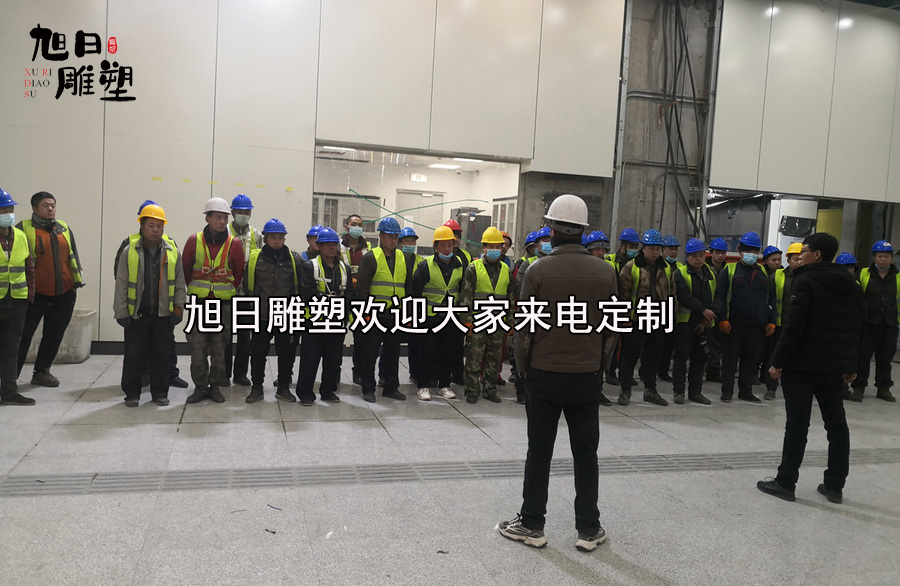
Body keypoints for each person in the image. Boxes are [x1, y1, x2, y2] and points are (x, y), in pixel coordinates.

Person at [499, 194, 617, 552]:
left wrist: (523, 370)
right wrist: (599, 367)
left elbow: (525, 329)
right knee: (586, 453)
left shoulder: (537, 271)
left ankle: (532, 524)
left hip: (544, 374)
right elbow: (611, 329)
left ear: (551, 229)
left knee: (539, 450)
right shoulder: (605, 272)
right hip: (586, 376)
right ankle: (589, 528)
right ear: (583, 231)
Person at [757, 233, 864, 504]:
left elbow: (794, 328)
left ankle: (785, 483)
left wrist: (777, 362)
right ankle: (834, 486)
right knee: (837, 426)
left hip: (801, 367)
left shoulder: (805, 281)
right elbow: (857, 327)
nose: (800, 255)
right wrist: (851, 364)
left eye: (804, 250)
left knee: (797, 424)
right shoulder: (850, 283)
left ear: (816, 255)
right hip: (833, 368)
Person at [113, 204, 186, 407]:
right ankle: (132, 393)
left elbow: (180, 283)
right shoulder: (129, 251)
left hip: (163, 315)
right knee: (134, 356)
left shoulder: (172, 252)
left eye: (159, 226)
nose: (155, 230)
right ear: (142, 226)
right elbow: (121, 283)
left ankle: (160, 392)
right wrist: (121, 312)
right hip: (137, 314)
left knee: (162, 355)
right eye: (151, 225)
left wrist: (179, 307)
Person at [16, 191, 84, 387]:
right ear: (34, 208)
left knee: (54, 335)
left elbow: (73, 257)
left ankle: (42, 372)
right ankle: (10, 379)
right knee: (21, 337)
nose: (51, 209)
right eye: (46, 205)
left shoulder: (63, 228)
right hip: (33, 295)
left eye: (53, 205)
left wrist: (74, 286)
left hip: (64, 294)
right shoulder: (22, 229)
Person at [182, 197, 245, 404]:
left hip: (223, 305)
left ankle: (216, 386)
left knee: (220, 349)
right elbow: (186, 269)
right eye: (218, 217)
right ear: (207, 218)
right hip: (199, 304)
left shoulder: (234, 244)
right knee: (197, 348)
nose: (223, 222)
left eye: (225, 218)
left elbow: (238, 274)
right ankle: (201, 387)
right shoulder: (194, 241)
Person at [355, 217, 415, 402]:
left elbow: (408, 286)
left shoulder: (403, 258)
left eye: (396, 236)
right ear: (381, 236)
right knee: (370, 353)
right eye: (390, 236)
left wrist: (408, 312)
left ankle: (391, 387)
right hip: (375, 314)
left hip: (395, 314)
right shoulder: (370, 258)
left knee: (392, 353)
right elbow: (363, 289)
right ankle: (368, 389)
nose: (393, 240)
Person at [243, 218, 302, 404]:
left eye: (280, 237)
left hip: (286, 315)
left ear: (284, 238)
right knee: (258, 353)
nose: (277, 241)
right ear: (266, 238)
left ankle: (283, 388)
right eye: (273, 237)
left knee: (286, 353)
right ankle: (257, 388)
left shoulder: (294, 260)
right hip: (261, 315)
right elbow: (247, 285)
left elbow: (299, 288)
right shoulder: (255, 259)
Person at [713, 231, 776, 403]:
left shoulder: (763, 273)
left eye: (755, 251)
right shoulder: (729, 270)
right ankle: (727, 392)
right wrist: (722, 319)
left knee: (750, 361)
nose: (751, 254)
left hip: (757, 326)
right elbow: (720, 297)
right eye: (748, 250)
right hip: (734, 325)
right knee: (730, 360)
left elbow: (771, 299)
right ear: (740, 250)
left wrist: (771, 321)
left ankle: (745, 391)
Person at [616, 229, 672, 407]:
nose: (655, 252)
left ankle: (650, 390)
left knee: (653, 357)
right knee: (630, 356)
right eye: (651, 248)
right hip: (636, 319)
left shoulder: (666, 268)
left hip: (657, 319)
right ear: (644, 248)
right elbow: (623, 295)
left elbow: (672, 294)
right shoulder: (631, 267)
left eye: (657, 249)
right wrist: (624, 317)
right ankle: (625, 390)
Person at [296, 227, 350, 406]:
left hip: (337, 321)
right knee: (310, 359)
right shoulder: (309, 266)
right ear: (319, 246)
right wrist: (330, 301)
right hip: (315, 321)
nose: (332, 248)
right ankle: (305, 393)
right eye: (327, 244)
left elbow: (350, 294)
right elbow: (307, 292)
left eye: (334, 244)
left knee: (333, 360)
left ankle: (328, 391)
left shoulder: (344, 269)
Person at [460, 227, 515, 404]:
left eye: (498, 246)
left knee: (494, 358)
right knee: (474, 358)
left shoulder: (506, 270)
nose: (494, 250)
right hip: (477, 322)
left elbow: (511, 298)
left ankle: (490, 390)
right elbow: (466, 297)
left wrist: (511, 321)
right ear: (483, 247)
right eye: (491, 246)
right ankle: (472, 391)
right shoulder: (473, 269)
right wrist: (467, 321)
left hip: (498, 322)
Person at [412, 226, 462, 401]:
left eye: (449, 245)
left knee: (448, 352)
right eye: (442, 245)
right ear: (435, 247)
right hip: (429, 317)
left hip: (450, 316)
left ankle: (444, 385)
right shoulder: (425, 266)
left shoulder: (459, 265)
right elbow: (416, 292)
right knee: (427, 352)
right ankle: (423, 386)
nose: (446, 249)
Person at [849, 239, 900, 403]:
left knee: (885, 358)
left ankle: (883, 388)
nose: (883, 259)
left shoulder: (898, 277)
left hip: (890, 324)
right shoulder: (864, 274)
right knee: (863, 357)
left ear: (891, 258)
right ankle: (859, 386)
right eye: (880, 256)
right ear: (874, 257)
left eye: (886, 256)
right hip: (868, 324)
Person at [0, 188, 36, 406]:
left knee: (11, 349)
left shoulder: (20, 236)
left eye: (10, 210)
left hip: (17, 301)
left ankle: (9, 391)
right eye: (4, 211)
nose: (9, 215)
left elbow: (29, 268)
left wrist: (29, 296)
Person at [671, 238, 715, 405]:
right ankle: (679, 391)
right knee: (681, 359)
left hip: (705, 323)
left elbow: (718, 295)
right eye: (694, 256)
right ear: (687, 257)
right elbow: (684, 296)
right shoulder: (680, 273)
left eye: (701, 255)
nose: (698, 259)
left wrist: (710, 315)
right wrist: (703, 310)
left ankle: (695, 392)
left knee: (700, 359)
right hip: (686, 323)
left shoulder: (710, 274)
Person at [224, 194, 262, 388]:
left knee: (245, 337)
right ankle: (224, 374)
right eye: (240, 211)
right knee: (224, 336)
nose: (243, 215)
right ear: (232, 212)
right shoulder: (224, 232)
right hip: (226, 293)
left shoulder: (256, 235)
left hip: (248, 294)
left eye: (247, 212)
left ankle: (240, 374)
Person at [761, 242, 803, 400]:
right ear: (789, 259)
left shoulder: (809, 277)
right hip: (780, 325)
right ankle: (771, 388)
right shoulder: (777, 276)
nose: (799, 262)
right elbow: (769, 300)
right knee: (773, 357)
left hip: (801, 327)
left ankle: (796, 389)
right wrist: (770, 321)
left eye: (801, 258)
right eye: (795, 259)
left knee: (798, 359)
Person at [382, 227, 424, 386]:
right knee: (390, 345)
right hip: (397, 307)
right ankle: (384, 376)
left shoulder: (421, 261)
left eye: (412, 242)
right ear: (400, 243)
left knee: (416, 343)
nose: (410, 244)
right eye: (407, 241)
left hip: (414, 308)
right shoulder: (394, 259)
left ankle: (415, 373)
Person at [604, 228, 640, 387]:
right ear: (622, 246)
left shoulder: (638, 263)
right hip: (614, 307)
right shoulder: (610, 260)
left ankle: (625, 375)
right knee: (613, 343)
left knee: (629, 346)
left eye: (635, 246)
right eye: (631, 246)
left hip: (631, 310)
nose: (634, 249)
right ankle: (610, 373)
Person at [340, 214, 372, 386]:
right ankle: (334, 373)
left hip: (361, 297)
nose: (357, 228)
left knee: (361, 338)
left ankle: (358, 372)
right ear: (346, 226)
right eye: (354, 224)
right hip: (342, 295)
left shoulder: (369, 247)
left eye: (360, 225)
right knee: (337, 336)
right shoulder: (338, 246)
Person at [655, 235, 683, 382]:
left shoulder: (681, 268)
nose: (673, 252)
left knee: (669, 345)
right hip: (657, 311)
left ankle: (663, 371)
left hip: (673, 313)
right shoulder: (658, 266)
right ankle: (647, 371)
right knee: (654, 345)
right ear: (663, 250)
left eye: (675, 249)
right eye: (670, 249)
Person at [705, 237, 729, 383]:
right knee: (707, 342)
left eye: (723, 253)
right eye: (718, 252)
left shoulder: (728, 270)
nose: (720, 256)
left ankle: (714, 371)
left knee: (718, 343)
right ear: (711, 253)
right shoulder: (704, 268)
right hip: (707, 311)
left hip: (722, 311)